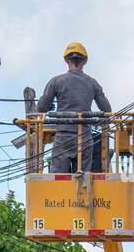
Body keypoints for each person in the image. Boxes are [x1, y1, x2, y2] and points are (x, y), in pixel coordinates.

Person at [36, 42, 112, 174]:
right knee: (82, 181)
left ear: (66, 60)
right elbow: (107, 111)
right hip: (84, 138)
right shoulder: (93, 83)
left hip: (63, 138)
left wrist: (49, 106)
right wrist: (99, 121)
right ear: (85, 60)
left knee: (59, 182)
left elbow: (41, 108)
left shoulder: (56, 81)